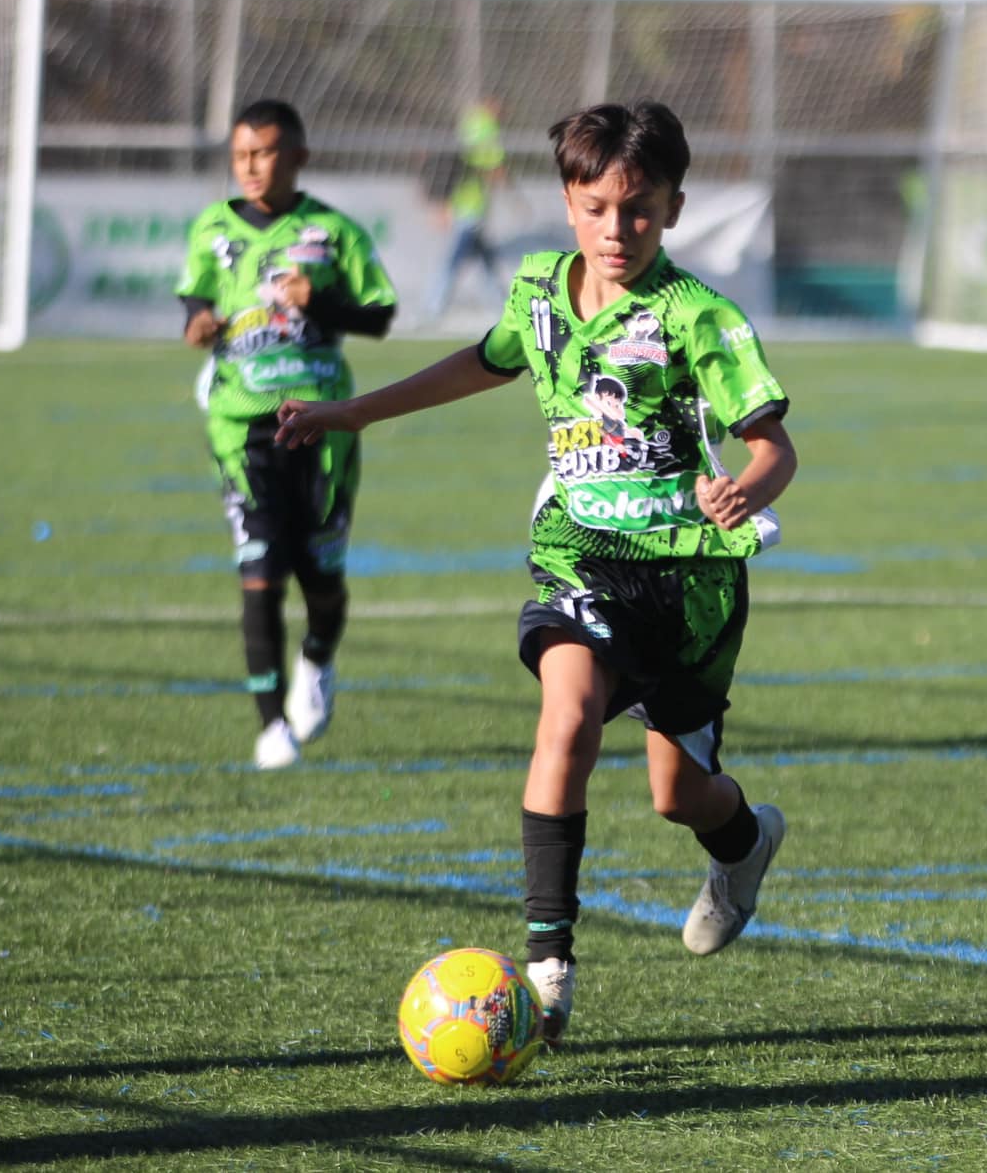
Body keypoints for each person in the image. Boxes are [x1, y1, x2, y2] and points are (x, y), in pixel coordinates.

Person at [277, 99, 796, 1045]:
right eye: (597, 207)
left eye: (638, 210)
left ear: (674, 208)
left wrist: (746, 492)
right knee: (566, 713)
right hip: (578, 557)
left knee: (679, 795)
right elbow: (480, 364)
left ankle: (747, 841)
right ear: (567, 202)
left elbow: (774, 448)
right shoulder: (539, 295)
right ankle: (548, 972)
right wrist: (350, 414)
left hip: (688, 581)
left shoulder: (700, 318)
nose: (616, 229)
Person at [175, 99, 398, 771]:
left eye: (265, 153)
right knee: (260, 570)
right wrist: (199, 322)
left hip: (323, 422)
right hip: (242, 421)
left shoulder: (333, 232)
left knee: (321, 579)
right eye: (241, 154)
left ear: (296, 156)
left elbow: (379, 316)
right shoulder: (212, 228)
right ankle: (271, 724)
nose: (250, 166)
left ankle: (318, 657)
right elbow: (195, 297)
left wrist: (317, 303)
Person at [429, 98, 507, 316]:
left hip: (461, 200)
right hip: (472, 205)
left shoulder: (467, 126)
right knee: (456, 257)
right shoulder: (486, 131)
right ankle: (433, 304)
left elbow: (450, 167)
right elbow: (495, 167)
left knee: (484, 256)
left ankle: (500, 302)